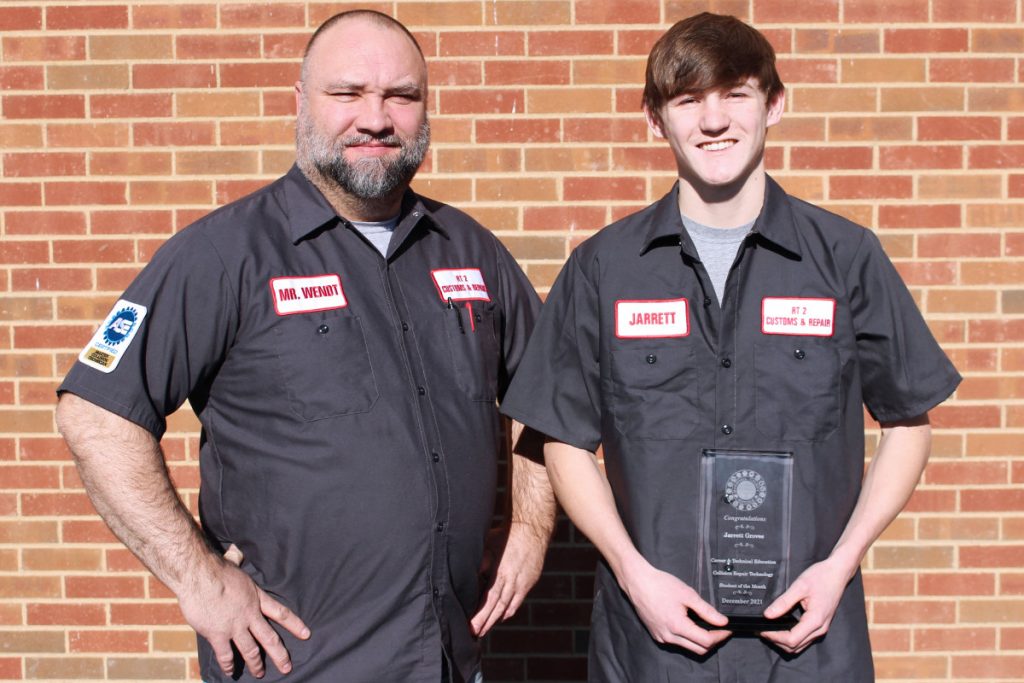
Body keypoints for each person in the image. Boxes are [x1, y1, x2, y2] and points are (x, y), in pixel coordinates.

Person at [55, 10, 554, 683]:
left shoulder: (468, 249)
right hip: (301, 663)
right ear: (300, 103)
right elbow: (96, 412)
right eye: (347, 94)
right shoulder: (224, 253)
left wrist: (529, 527)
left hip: (447, 658)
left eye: (400, 97)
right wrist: (198, 578)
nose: (375, 118)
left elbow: (546, 393)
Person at [500, 12, 960, 682]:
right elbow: (563, 437)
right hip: (651, 647)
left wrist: (841, 565)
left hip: (809, 647)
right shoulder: (603, 268)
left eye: (735, 94)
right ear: (656, 120)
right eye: (688, 101)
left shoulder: (845, 258)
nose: (714, 121)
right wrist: (634, 575)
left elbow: (908, 422)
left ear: (775, 103)